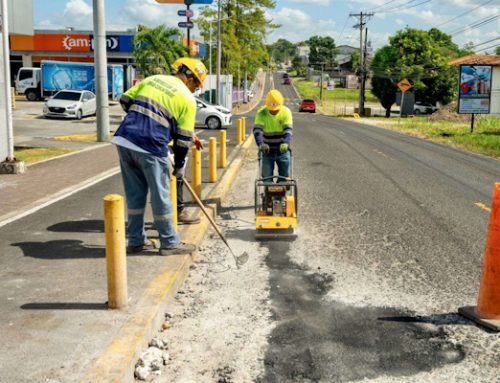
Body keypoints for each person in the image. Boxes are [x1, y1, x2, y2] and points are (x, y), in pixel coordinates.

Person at [112, 57, 207, 255]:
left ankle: (136, 241)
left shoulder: (152, 79)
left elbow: (125, 100)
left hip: (125, 139)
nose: (196, 90)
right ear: (190, 78)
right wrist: (179, 166)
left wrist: (141, 121)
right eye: (197, 85)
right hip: (152, 147)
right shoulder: (188, 100)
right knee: (161, 196)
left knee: (135, 196)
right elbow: (182, 140)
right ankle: (169, 242)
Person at [253, 89, 293, 180]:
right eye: (271, 110)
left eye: (276, 109)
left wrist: (286, 143)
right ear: (267, 106)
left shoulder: (286, 112)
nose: (273, 111)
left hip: (282, 149)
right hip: (267, 150)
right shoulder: (261, 113)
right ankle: (268, 190)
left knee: (285, 176)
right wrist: (261, 144)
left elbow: (288, 130)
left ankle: (282, 186)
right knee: (266, 177)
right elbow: (257, 131)